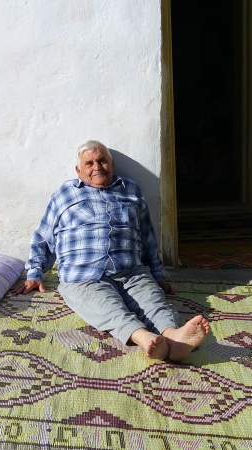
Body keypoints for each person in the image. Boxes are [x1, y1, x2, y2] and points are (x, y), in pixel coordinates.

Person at [11, 140, 209, 361]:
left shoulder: (130, 189)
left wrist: (157, 274)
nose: (97, 167)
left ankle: (174, 337)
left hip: (131, 271)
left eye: (102, 160)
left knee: (153, 301)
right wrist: (35, 272)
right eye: (89, 163)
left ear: (112, 164)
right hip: (84, 275)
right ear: (78, 170)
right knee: (106, 306)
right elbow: (43, 235)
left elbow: (147, 236)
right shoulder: (65, 194)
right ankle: (146, 339)